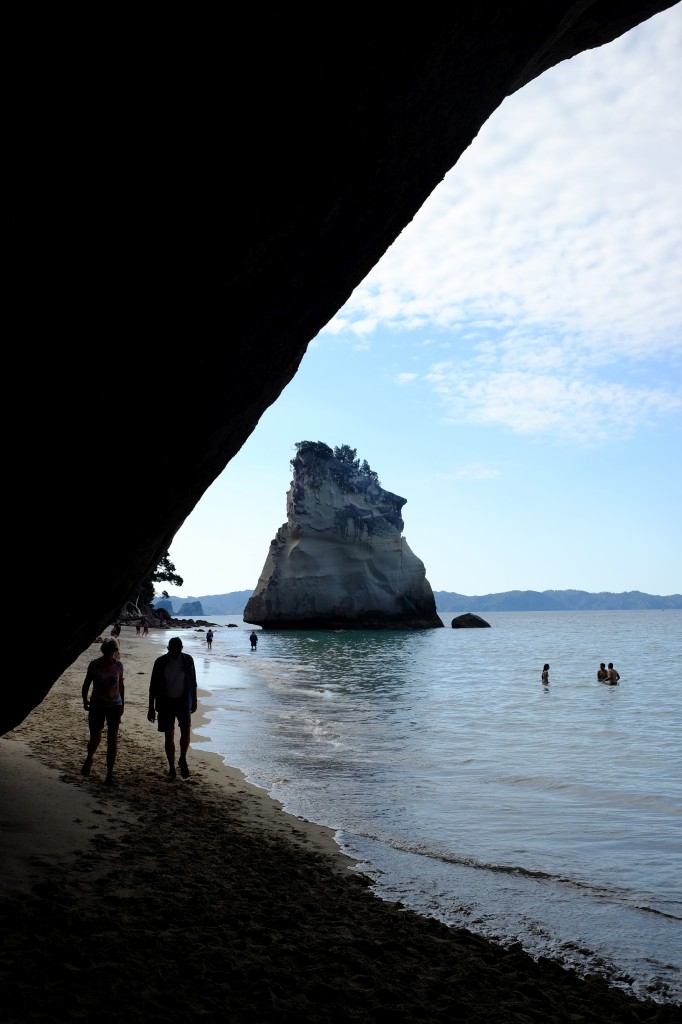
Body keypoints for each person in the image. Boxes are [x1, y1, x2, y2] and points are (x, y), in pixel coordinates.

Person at [147, 637, 197, 779]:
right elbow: (153, 686)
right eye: (172, 649)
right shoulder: (160, 662)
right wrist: (151, 707)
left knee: (186, 732)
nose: (175, 651)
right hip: (165, 702)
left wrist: (194, 701)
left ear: (182, 648)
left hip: (183, 702)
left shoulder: (188, 660)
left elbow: (193, 682)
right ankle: (171, 768)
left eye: (178, 649)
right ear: (168, 648)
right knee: (169, 736)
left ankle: (182, 759)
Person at [81, 637, 125, 786]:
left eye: (113, 650)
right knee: (95, 737)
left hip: (114, 706)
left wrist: (122, 704)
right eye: (108, 650)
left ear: (115, 651)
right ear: (104, 650)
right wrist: (84, 700)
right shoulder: (94, 665)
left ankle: (109, 774)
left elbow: (121, 686)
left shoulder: (119, 665)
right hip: (97, 705)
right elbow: (86, 683)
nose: (111, 653)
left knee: (112, 739)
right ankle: (89, 758)